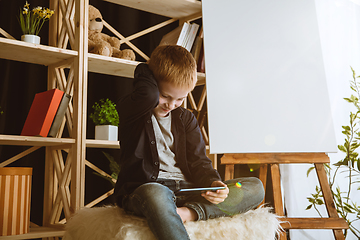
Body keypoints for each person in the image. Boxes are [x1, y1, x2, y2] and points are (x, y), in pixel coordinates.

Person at [114, 45, 265, 240]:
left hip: (187, 191)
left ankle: (188, 213)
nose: (171, 105)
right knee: (156, 194)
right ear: (151, 83)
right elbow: (147, 95)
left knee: (255, 186)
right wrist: (147, 68)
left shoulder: (186, 119)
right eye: (165, 96)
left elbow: (199, 163)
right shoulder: (133, 111)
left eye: (180, 99)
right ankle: (172, 212)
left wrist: (213, 183)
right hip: (148, 191)